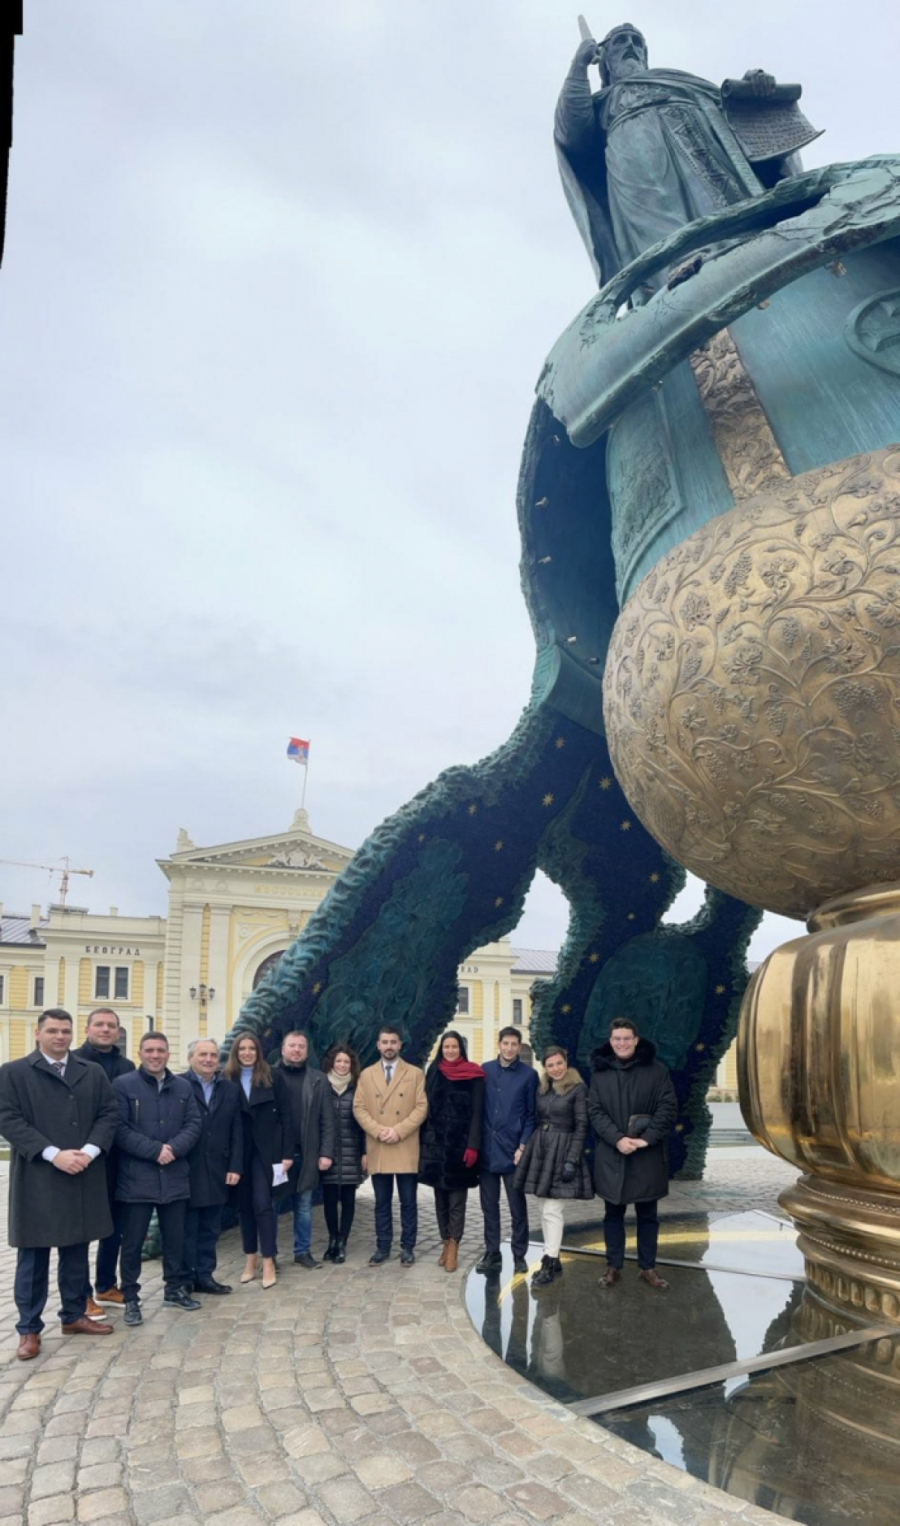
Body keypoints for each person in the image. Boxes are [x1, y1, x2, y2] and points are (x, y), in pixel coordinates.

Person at [555, 24, 808, 285]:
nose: (631, 46)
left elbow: (733, 111)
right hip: (633, 161)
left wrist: (754, 85)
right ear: (604, 59)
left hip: (698, 149)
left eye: (637, 41)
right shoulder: (603, 101)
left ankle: (744, 247)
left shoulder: (673, 79)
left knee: (718, 205)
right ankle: (672, 271)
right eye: (620, 41)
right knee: (655, 208)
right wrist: (578, 67)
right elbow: (572, 134)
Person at [0, 1008, 119, 1359]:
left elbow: (108, 1113)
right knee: (33, 1257)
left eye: (65, 1031)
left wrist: (89, 1150)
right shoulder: (14, 1073)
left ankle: (73, 1315)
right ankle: (29, 1329)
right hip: (39, 1175)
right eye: (52, 1031)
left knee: (76, 1252)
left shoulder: (91, 1072)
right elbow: (8, 1118)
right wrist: (53, 1154)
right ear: (38, 1034)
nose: (60, 1037)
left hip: (82, 1172)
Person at [113, 1031, 203, 1326]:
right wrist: (155, 1151)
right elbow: (120, 1129)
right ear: (140, 1053)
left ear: (168, 1053)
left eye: (161, 1050)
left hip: (175, 1175)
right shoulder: (124, 1085)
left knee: (175, 1239)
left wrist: (173, 1149)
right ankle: (130, 1298)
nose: (155, 1055)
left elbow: (193, 1123)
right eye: (150, 1050)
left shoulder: (183, 1087)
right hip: (137, 1178)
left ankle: (174, 1289)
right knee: (133, 1243)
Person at [589, 1018, 678, 1290]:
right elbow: (595, 1111)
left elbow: (668, 1106)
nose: (622, 1043)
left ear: (636, 1040)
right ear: (611, 1041)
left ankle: (647, 1267)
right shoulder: (600, 1074)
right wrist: (617, 1139)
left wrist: (646, 1139)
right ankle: (613, 1265)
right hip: (613, 1155)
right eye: (617, 1039)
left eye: (627, 1038)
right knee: (612, 1215)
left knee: (648, 1216)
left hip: (646, 1156)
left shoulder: (657, 1071)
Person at [72, 1005, 135, 1312]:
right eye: (99, 1024)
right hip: (84, 1156)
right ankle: (81, 1294)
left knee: (114, 1226)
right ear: (88, 1029)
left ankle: (106, 1285)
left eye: (111, 1025)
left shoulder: (126, 1065)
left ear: (119, 1031)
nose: (106, 1029)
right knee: (82, 1229)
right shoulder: (73, 1062)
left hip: (118, 1158)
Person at [513, 1046, 593, 1287]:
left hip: (563, 1149)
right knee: (542, 1208)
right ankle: (553, 1256)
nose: (556, 1069)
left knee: (552, 1211)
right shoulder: (543, 1088)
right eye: (550, 1065)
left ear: (565, 1063)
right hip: (542, 1148)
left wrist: (572, 1159)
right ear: (544, 1068)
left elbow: (581, 1126)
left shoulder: (578, 1088)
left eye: (559, 1063)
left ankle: (550, 1260)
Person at [223, 1031, 293, 1289]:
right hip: (238, 1153)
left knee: (263, 1205)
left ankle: (268, 1260)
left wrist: (287, 1154)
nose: (247, 1053)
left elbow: (286, 1117)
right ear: (236, 1052)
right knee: (244, 1207)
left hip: (267, 1152)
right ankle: (249, 1258)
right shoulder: (227, 1077)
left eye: (252, 1048)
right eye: (242, 1048)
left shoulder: (273, 1076)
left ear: (258, 1051)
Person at [353, 1025, 427, 1266]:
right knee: (382, 1202)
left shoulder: (415, 1073)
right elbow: (359, 1107)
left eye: (393, 1042)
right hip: (379, 1145)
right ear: (378, 1045)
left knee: (408, 1201)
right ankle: (383, 1246)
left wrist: (398, 1130)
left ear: (400, 1045)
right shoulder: (366, 1074)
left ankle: (407, 1247)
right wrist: (377, 1130)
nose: (389, 1046)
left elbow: (421, 1107)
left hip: (404, 1144)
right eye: (385, 1042)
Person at [418, 1030, 485, 1272]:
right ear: (441, 1049)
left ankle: (454, 1246)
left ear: (461, 1048)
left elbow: (478, 1112)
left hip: (460, 1148)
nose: (450, 1050)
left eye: (454, 1046)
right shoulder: (434, 1072)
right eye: (446, 1047)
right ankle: (445, 1243)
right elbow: (425, 1108)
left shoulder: (474, 1074)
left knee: (457, 1201)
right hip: (436, 1148)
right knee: (440, 1201)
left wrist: (473, 1145)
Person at [477, 1026, 539, 1277]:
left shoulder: (528, 1075)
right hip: (487, 1150)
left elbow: (530, 1115)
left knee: (517, 1206)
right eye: (506, 1043)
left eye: (515, 1044)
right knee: (489, 1206)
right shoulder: (485, 1070)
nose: (510, 1048)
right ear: (499, 1043)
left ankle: (519, 1253)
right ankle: (492, 1252)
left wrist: (523, 1145)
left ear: (520, 1046)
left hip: (513, 1151)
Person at [182, 1038, 242, 1294]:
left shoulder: (229, 1089)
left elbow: (236, 1130)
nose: (208, 1059)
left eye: (213, 1055)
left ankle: (204, 1275)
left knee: (210, 1228)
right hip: (186, 1168)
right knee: (186, 1228)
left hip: (218, 1168)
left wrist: (235, 1166)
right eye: (203, 1054)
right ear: (191, 1058)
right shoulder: (178, 1085)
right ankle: (183, 1279)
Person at [273, 1030, 334, 1268]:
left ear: (307, 1051)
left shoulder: (318, 1080)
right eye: (292, 1046)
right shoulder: (269, 1075)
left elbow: (327, 1120)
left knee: (304, 1206)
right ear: (283, 1049)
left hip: (307, 1153)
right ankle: (271, 1255)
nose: (296, 1050)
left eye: (301, 1046)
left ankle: (302, 1252)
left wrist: (326, 1153)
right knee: (272, 1206)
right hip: (277, 1156)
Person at [320, 1043, 367, 1263]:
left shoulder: (358, 1088)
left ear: (352, 1065)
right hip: (327, 1153)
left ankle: (342, 1242)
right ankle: (331, 1239)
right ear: (332, 1063)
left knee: (348, 1199)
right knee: (329, 1200)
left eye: (346, 1062)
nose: (342, 1065)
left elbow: (364, 1123)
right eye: (338, 1061)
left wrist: (365, 1152)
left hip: (351, 1152)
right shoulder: (321, 1086)